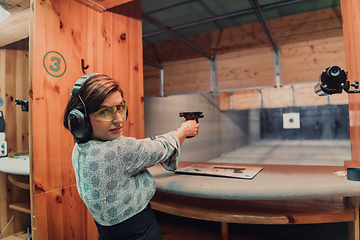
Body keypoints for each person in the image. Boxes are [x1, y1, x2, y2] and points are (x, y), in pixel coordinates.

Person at [63, 73, 200, 240]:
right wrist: (184, 131)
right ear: (80, 119)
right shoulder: (120, 149)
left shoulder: (79, 149)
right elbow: (159, 147)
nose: (119, 119)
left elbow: (142, 148)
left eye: (120, 108)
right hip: (142, 233)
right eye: (105, 112)